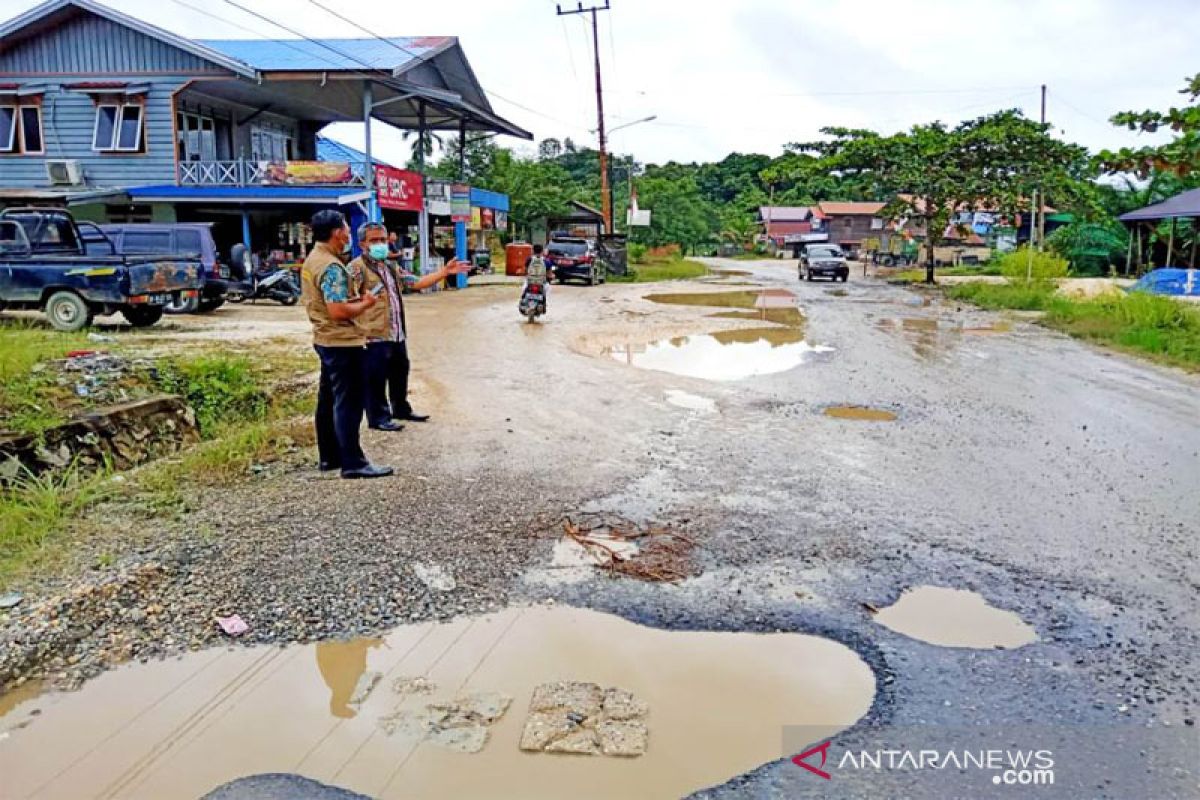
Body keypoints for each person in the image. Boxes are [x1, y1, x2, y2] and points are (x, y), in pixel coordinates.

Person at [299, 210, 393, 480]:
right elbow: (338, 310)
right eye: (347, 231)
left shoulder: (313, 260)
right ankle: (353, 462)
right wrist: (366, 303)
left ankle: (330, 456)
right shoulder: (332, 267)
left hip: (324, 338)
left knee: (328, 400)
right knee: (349, 403)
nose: (349, 235)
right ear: (337, 233)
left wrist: (356, 299)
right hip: (342, 341)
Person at [352, 222, 470, 431]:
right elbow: (349, 298)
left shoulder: (390, 266)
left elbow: (415, 282)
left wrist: (444, 272)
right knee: (376, 378)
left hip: (396, 332)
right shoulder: (357, 268)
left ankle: (401, 408)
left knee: (400, 371)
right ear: (363, 244)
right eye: (374, 240)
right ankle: (378, 417)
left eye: (383, 239)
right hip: (373, 334)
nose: (380, 244)